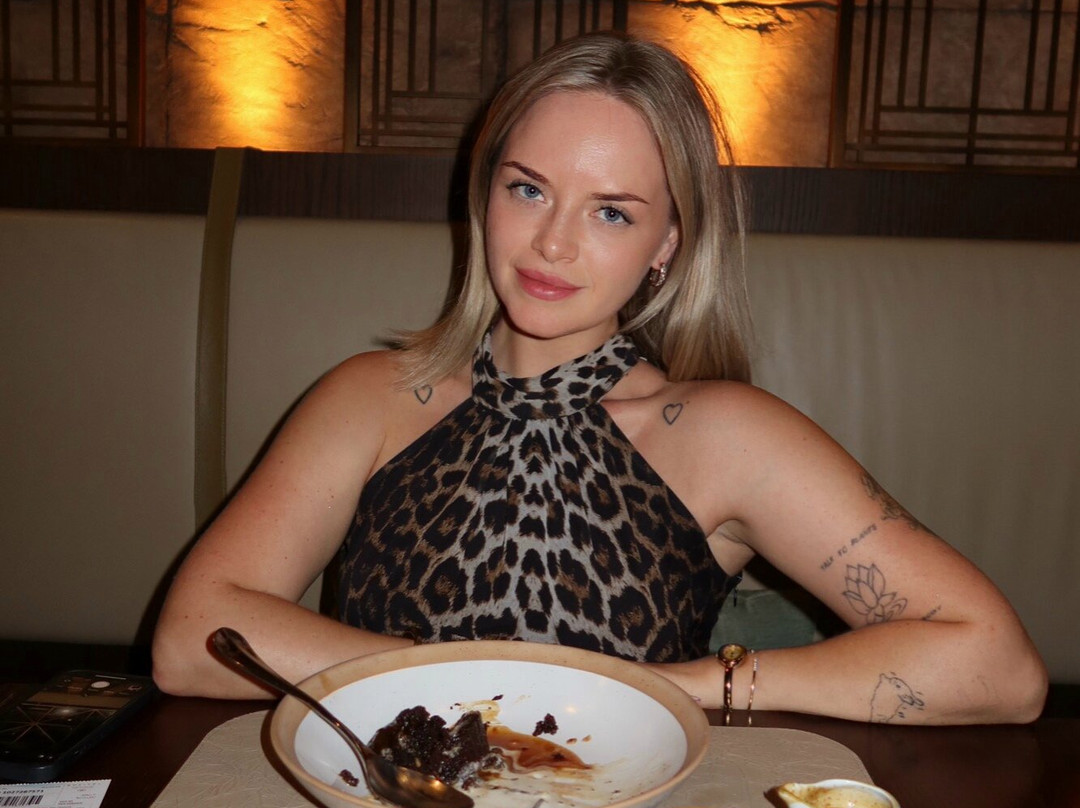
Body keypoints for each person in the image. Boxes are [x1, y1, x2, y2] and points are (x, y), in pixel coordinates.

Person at [151, 32, 1047, 724]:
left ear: (667, 244)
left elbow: (998, 668)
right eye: (528, 189)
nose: (552, 243)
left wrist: (678, 689)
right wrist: (468, 687)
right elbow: (191, 639)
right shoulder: (370, 397)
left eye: (611, 212)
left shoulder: (723, 434)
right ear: (484, 197)